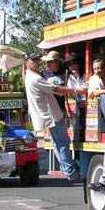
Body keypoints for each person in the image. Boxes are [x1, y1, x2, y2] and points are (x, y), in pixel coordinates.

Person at [23, 51, 81, 182]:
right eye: (34, 60)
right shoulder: (36, 77)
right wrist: (77, 90)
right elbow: (55, 89)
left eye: (38, 60)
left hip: (52, 113)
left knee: (58, 143)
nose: (37, 62)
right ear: (27, 63)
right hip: (52, 114)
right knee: (62, 143)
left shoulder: (32, 76)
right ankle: (70, 171)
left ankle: (67, 169)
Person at [65, 54, 88, 141]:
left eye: (74, 63)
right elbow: (71, 93)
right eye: (70, 65)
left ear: (78, 64)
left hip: (88, 102)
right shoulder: (69, 79)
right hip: (76, 103)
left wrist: (75, 91)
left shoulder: (85, 75)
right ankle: (78, 135)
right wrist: (77, 91)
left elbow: (86, 90)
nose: (72, 66)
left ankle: (80, 135)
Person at [88, 58, 105, 134]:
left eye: (99, 68)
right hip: (98, 107)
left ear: (104, 68)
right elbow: (94, 92)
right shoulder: (93, 79)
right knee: (103, 96)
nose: (97, 70)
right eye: (95, 69)